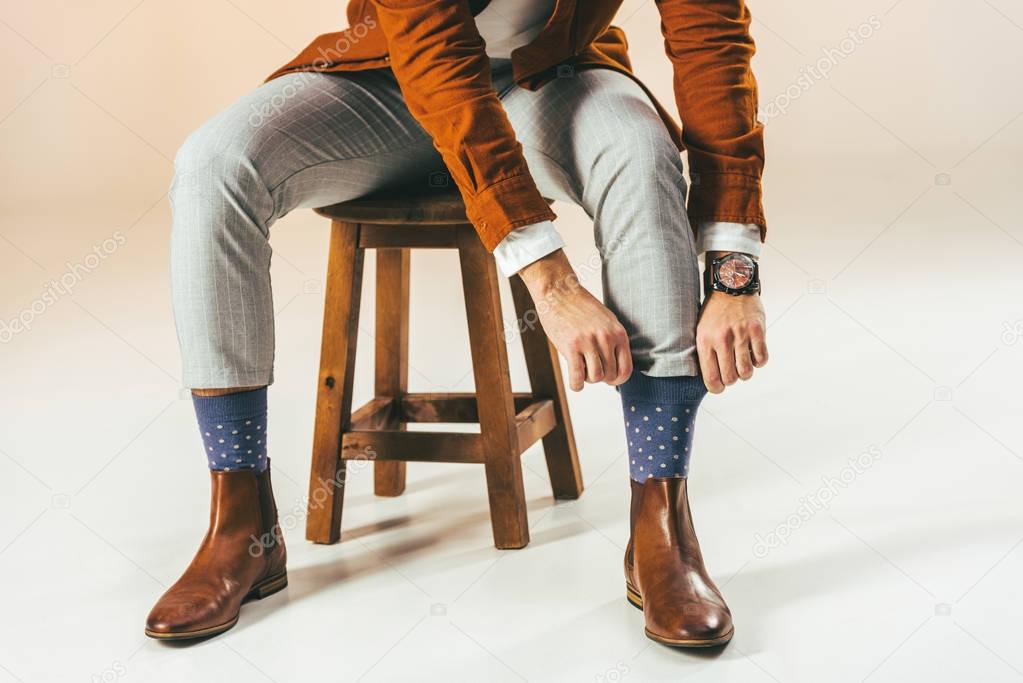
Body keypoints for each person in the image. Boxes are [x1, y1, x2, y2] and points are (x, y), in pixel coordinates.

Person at [145, 0, 769, 649]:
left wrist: (732, 266)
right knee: (211, 164)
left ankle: (661, 525)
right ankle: (240, 521)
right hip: (391, 81)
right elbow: (435, 56)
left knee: (639, 151)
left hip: (549, 80)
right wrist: (547, 277)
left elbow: (709, 33)